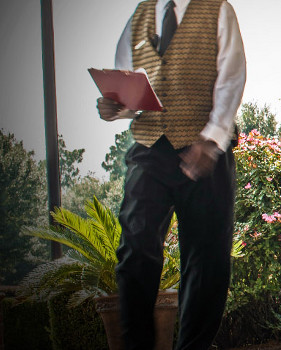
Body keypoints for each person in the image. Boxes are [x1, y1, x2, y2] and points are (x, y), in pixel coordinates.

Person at [95, 0, 245, 348]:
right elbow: (129, 85)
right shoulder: (140, 15)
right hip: (150, 148)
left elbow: (231, 77)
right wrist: (114, 107)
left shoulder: (217, 9)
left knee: (206, 258)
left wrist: (211, 139)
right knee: (135, 247)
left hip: (205, 145)